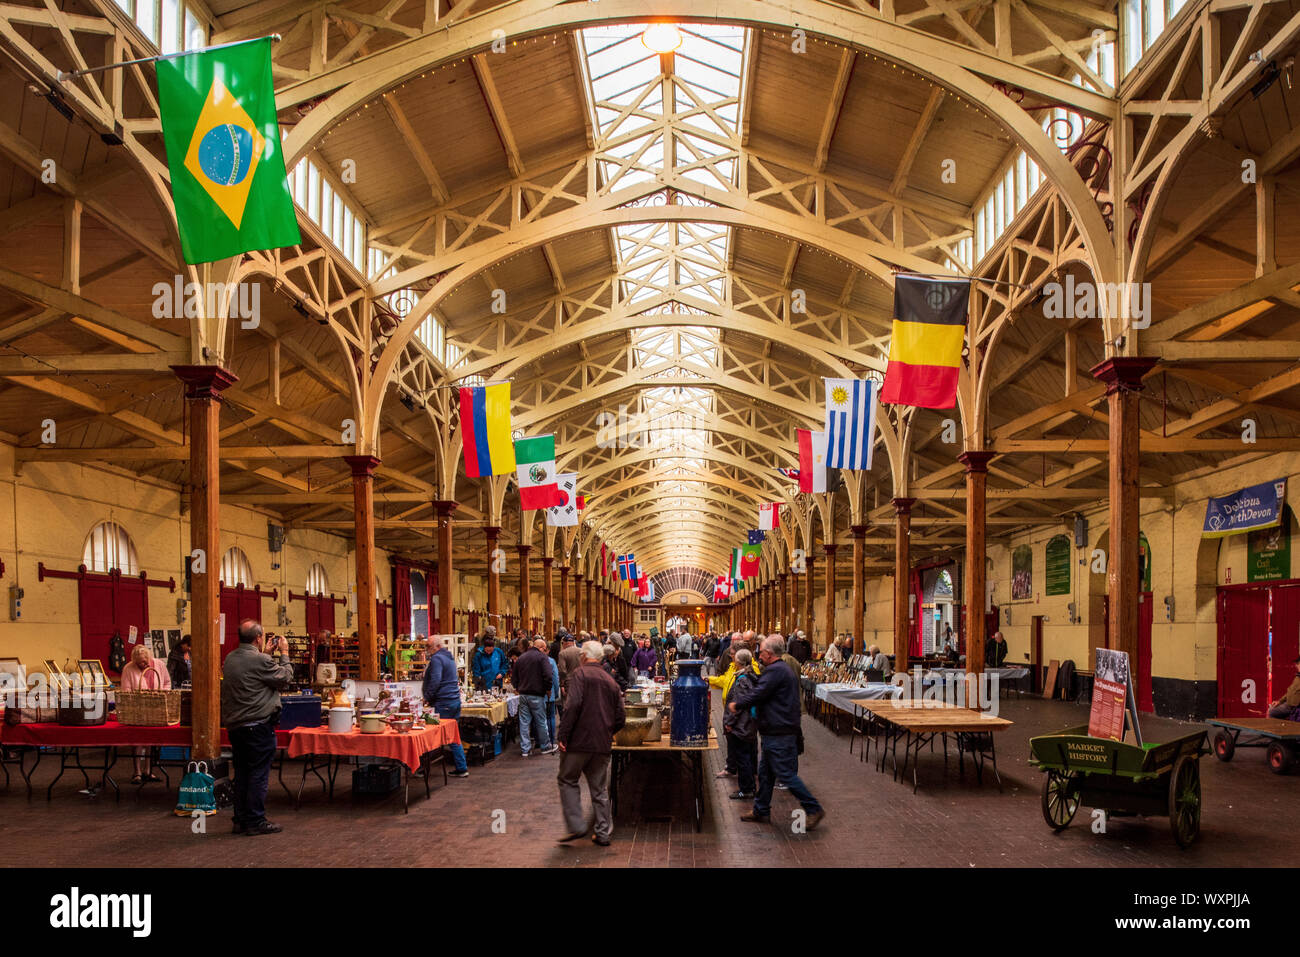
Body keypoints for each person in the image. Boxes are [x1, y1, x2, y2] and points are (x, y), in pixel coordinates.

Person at [731, 635, 824, 830]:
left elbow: (759, 693)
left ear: (770, 654)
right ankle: (761, 809)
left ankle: (813, 808)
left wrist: (737, 703)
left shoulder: (776, 671)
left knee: (785, 774)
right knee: (765, 774)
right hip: (775, 730)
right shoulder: (779, 670)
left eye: (762, 652)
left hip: (779, 732)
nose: (759, 654)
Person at [221, 619, 294, 836]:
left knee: (242, 774)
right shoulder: (260, 660)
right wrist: (284, 653)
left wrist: (266, 655)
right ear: (258, 638)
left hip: (237, 727)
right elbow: (285, 677)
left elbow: (253, 674)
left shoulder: (231, 658)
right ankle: (255, 820)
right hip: (258, 727)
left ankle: (241, 818)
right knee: (258, 775)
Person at [556, 640, 625, 847]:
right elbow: (621, 716)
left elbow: (573, 705)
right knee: (599, 789)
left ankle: (577, 826)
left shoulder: (580, 674)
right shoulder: (610, 680)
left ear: (584, 656)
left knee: (567, 779)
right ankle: (603, 833)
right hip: (601, 744)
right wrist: (606, 732)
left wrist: (563, 735)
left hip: (578, 742)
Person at [120, 643, 171, 783]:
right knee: (138, 740)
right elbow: (126, 691)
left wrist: (162, 693)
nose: (143, 664)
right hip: (137, 709)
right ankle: (137, 772)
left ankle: (148, 771)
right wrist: (137, 697)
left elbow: (167, 682)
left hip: (156, 707)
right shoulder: (128, 668)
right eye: (139, 662)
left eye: (144, 661)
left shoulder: (159, 664)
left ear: (149, 657)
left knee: (150, 740)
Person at [422, 635, 470, 778]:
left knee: (430, 734)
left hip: (443, 702)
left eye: (429, 647)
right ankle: (461, 767)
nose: (427, 650)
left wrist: (427, 697)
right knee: (453, 735)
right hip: (453, 701)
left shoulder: (437, 659)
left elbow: (436, 680)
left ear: (437, 647)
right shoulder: (449, 657)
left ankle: (424, 768)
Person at [511, 639, 558, 756]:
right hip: (537, 694)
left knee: (524, 722)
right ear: (541, 647)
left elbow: (514, 676)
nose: (545, 651)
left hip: (523, 694)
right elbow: (548, 675)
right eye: (545, 649)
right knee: (541, 721)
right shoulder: (542, 658)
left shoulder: (521, 658)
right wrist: (548, 689)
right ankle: (545, 746)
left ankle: (525, 749)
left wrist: (518, 687)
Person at [725, 649, 760, 800]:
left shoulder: (742, 680)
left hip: (742, 725)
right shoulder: (749, 676)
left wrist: (729, 722)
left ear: (738, 662)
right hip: (747, 724)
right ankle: (750, 787)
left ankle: (746, 789)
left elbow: (738, 704)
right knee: (746, 757)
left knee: (743, 758)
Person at [541, 638, 561, 742]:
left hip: (539, 694)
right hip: (550, 693)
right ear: (548, 650)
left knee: (541, 718)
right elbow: (555, 679)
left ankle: (542, 740)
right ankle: (552, 739)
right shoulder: (551, 661)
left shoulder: (535, 660)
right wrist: (556, 692)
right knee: (551, 717)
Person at [558, 631, 583, 701]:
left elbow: (562, 671)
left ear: (565, 643)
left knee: (568, 704)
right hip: (581, 680)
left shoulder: (562, 653)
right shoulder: (581, 651)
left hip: (569, 682)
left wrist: (562, 685)